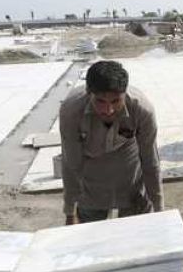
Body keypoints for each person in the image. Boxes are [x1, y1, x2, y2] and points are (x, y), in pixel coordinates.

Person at [60, 60, 163, 225]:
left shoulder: (142, 110)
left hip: (130, 177)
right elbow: (71, 163)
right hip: (92, 183)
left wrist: (159, 210)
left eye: (116, 101)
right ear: (89, 93)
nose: (109, 110)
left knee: (139, 238)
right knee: (91, 240)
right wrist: (70, 212)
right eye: (100, 102)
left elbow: (150, 161)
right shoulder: (71, 111)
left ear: (124, 93)